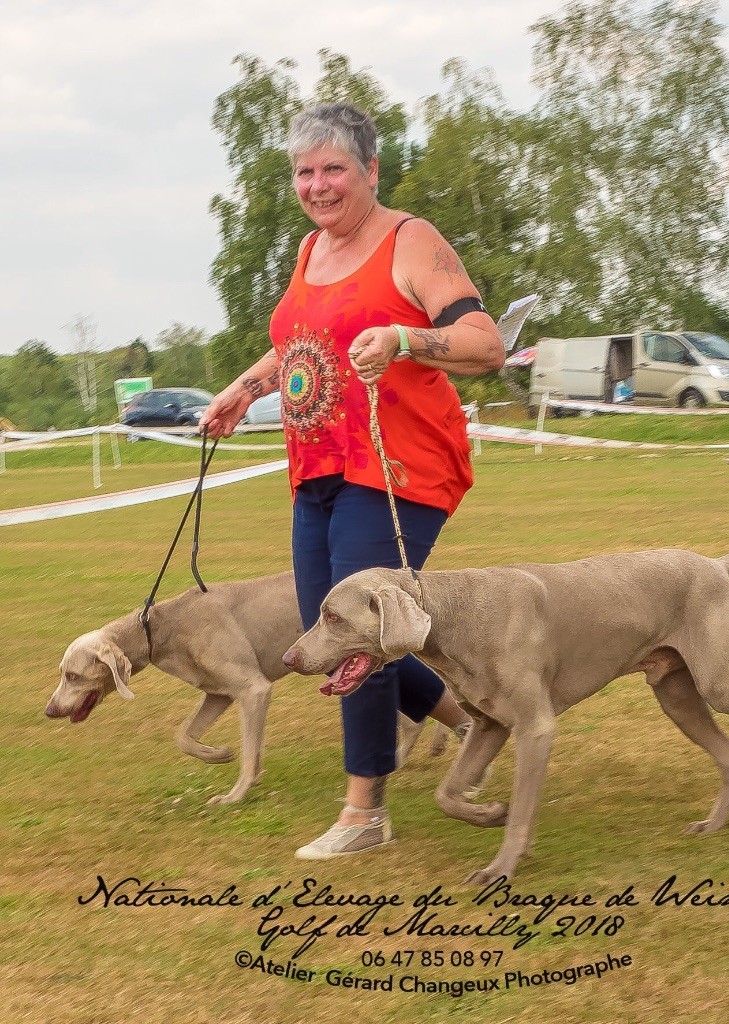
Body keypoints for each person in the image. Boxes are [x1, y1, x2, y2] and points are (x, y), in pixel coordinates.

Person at [200, 102, 505, 859]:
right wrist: (244, 387)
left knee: (354, 635)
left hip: (398, 466)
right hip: (318, 469)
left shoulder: (411, 242)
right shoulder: (309, 251)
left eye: (334, 168)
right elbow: (301, 348)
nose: (318, 184)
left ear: (370, 170)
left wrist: (405, 337)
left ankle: (364, 812)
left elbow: (484, 342)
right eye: (304, 171)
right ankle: (470, 719)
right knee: (322, 631)